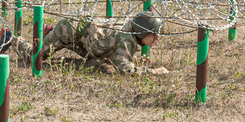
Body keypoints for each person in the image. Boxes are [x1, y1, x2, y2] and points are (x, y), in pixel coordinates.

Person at [10, 12, 168, 75]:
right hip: (69, 31)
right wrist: (155, 72)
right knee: (34, 57)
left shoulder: (130, 30)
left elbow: (117, 58)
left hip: (81, 36)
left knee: (98, 64)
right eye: (154, 34)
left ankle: (49, 32)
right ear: (142, 32)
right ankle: (12, 38)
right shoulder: (127, 39)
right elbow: (125, 70)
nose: (156, 38)